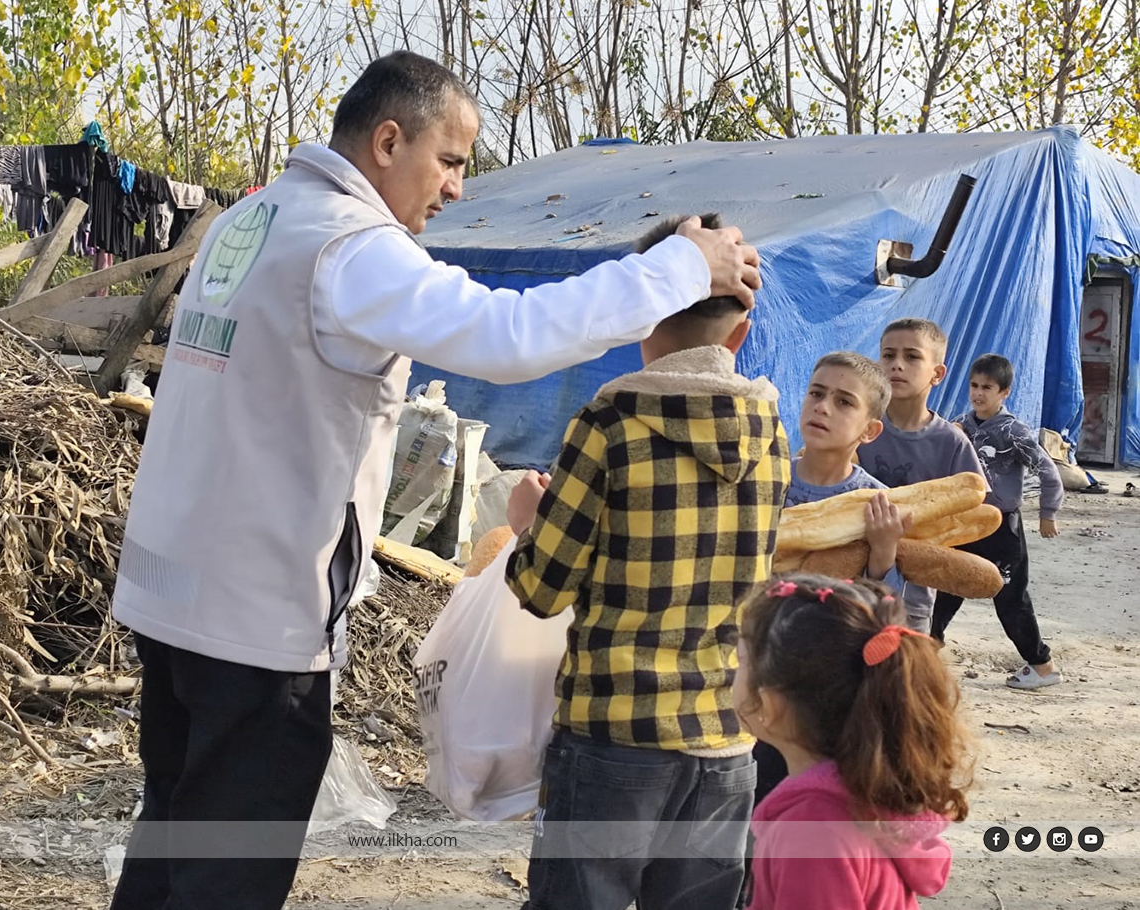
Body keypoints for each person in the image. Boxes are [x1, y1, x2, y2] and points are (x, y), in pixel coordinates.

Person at [107, 51, 763, 910]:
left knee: (171, 842)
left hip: (172, 600)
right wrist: (680, 268)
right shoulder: (351, 247)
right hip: (255, 623)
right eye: (450, 161)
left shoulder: (254, 219)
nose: (456, 189)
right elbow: (508, 335)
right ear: (388, 141)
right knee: (226, 875)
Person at [504, 214, 789, 910]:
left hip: (612, 737)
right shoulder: (773, 432)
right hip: (725, 745)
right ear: (740, 333)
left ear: (642, 318)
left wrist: (524, 526)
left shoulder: (610, 424)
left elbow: (544, 589)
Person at [735, 575, 970, 910]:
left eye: (741, 661)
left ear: (770, 704)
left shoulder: (811, 830)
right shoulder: (862, 796)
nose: (731, 673)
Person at [752, 353, 910, 826]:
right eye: (816, 393)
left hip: (825, 695)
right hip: (755, 677)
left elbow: (892, 622)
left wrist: (883, 555)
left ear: (869, 430)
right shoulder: (763, 481)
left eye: (844, 402)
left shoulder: (876, 506)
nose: (822, 408)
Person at [931, 353, 1063, 689]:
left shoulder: (1014, 432)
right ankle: (930, 647)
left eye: (987, 387)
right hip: (966, 522)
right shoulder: (960, 425)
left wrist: (1047, 514)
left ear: (1004, 392)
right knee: (948, 582)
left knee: (1010, 598)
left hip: (1003, 528)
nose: (978, 393)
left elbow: (1048, 473)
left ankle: (1042, 666)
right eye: (974, 386)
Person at [856, 319, 986, 633]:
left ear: (937, 373)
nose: (897, 365)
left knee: (902, 675)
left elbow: (973, 515)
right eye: (888, 356)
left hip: (913, 595)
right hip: (850, 586)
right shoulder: (858, 427)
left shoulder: (951, 443)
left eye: (912, 357)